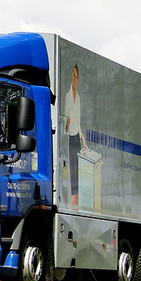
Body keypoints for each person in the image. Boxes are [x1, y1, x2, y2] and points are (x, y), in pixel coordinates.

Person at [64, 64, 87, 206]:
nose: (75, 79)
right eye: (73, 75)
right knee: (71, 166)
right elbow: (66, 117)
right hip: (69, 136)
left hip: (76, 135)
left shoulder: (78, 97)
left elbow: (77, 120)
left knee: (77, 168)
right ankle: (72, 200)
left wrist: (83, 139)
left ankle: (77, 200)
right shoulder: (68, 96)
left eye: (77, 76)